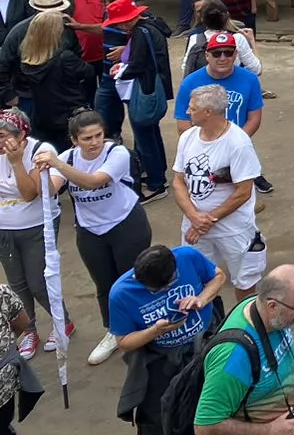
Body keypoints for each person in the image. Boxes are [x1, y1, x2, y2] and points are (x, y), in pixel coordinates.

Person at [38, 108, 151, 366]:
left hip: (126, 224)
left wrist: (57, 164)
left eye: (98, 135)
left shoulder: (116, 153)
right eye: (87, 138)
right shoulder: (68, 158)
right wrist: (29, 166)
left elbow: (94, 182)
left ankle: (146, 328)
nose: (95, 142)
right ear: (74, 140)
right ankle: (114, 331)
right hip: (90, 230)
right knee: (104, 285)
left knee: (134, 278)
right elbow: (47, 191)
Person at [109, 243, 226, 435]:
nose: (165, 291)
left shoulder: (187, 256)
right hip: (164, 359)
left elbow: (219, 276)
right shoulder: (121, 294)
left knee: (220, 402)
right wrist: (154, 331)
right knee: (161, 417)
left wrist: (201, 299)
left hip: (206, 342)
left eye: (169, 285)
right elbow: (123, 342)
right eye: (156, 290)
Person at [192, 265, 294, 434]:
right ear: (272, 306)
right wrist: (270, 429)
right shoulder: (234, 356)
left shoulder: (262, 308)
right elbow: (205, 426)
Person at [173, 84, 264, 303]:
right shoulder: (188, 137)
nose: (187, 111)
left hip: (233, 230)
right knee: (194, 279)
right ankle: (208, 325)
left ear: (208, 112)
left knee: (244, 281)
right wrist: (194, 217)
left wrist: (207, 220)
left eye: (192, 108)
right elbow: (178, 180)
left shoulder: (238, 144)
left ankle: (242, 323)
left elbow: (243, 192)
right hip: (195, 227)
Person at [0, 109, 70, 358]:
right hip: (5, 230)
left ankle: (62, 322)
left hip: (36, 226)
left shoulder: (40, 150)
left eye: (3, 135)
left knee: (38, 281)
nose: (0, 142)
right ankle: (29, 330)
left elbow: (31, 193)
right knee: (17, 283)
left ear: (22, 135)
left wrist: (17, 163)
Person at [110, 0, 174, 201]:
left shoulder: (140, 33)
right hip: (154, 90)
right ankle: (158, 174)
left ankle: (156, 183)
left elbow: (138, 65)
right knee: (152, 134)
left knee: (145, 136)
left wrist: (120, 71)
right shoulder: (151, 26)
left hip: (144, 92)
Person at [12, 10, 93, 151]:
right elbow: (88, 72)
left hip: (43, 117)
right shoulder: (64, 57)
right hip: (69, 116)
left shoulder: (27, 58)